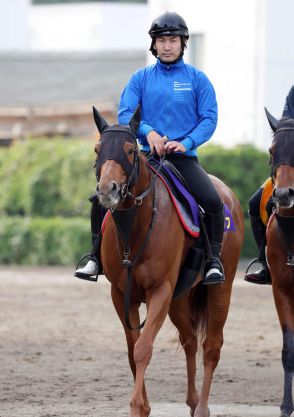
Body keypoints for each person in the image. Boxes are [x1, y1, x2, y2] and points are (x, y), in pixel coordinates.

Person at [75, 11, 225, 285]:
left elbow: (209, 119)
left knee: (214, 202)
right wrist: (149, 132)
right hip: (144, 159)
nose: (167, 46)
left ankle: (213, 261)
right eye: (162, 40)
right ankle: (94, 257)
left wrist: (186, 142)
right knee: (100, 200)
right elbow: (126, 113)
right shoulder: (140, 79)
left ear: (183, 43)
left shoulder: (197, 79)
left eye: (173, 40)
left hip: (183, 160)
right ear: (153, 44)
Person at [244, 85, 294, 284]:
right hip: (291, 164)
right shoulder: (293, 92)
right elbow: (285, 125)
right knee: (255, 203)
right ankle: (264, 263)